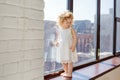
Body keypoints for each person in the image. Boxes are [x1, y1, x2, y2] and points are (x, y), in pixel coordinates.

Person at [54, 11, 78, 78]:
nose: (69, 24)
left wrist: (73, 45)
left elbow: (75, 38)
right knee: (63, 61)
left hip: (69, 47)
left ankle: (69, 73)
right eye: (67, 22)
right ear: (61, 22)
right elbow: (59, 37)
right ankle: (66, 72)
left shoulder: (71, 29)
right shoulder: (59, 29)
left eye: (70, 22)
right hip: (62, 47)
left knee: (70, 61)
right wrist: (57, 42)